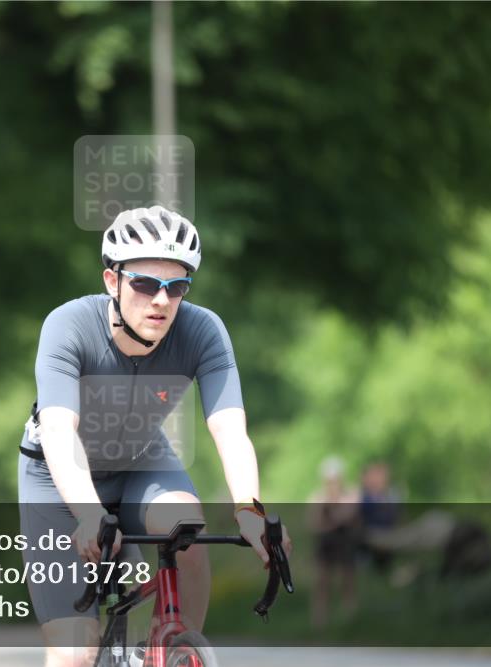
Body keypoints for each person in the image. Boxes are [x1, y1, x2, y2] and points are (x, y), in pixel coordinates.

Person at [17, 206, 291, 667]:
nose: (161, 301)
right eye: (145, 284)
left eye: (176, 286)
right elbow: (60, 431)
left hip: (142, 460)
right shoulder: (68, 325)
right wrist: (89, 513)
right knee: (74, 653)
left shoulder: (203, 330)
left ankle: (177, 649)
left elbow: (230, 429)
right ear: (112, 281)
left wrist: (249, 510)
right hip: (55, 476)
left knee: (187, 529)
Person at [307, 456, 360, 629]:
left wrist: (330, 518)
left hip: (345, 542)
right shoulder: (318, 497)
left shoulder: (350, 495)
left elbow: (348, 516)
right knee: (322, 582)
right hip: (326, 544)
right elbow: (314, 523)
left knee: (347, 581)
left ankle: (350, 620)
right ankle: (319, 622)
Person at [359, 460, 400, 572]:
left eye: (383, 476)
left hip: (387, 533)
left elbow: (395, 516)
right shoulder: (362, 495)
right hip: (368, 533)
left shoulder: (392, 495)